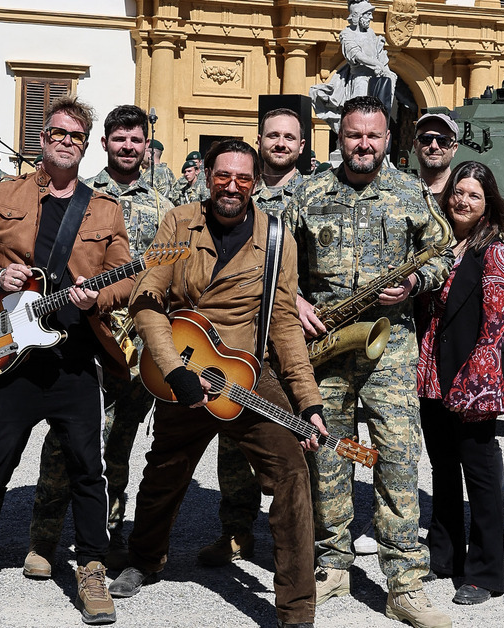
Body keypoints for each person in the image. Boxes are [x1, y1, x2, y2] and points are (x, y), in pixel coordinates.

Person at [107, 139, 328, 628]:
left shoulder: (277, 238)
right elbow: (147, 299)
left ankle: (297, 610)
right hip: (184, 366)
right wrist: (174, 370)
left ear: (255, 183)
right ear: (207, 176)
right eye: (222, 176)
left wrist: (308, 401)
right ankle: (144, 559)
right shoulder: (178, 223)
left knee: (291, 474)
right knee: (165, 470)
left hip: (247, 374)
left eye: (243, 178)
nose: (232, 186)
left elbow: (285, 325)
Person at [0, 93, 132, 625]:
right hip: (13, 358)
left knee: (87, 470)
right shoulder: (4, 194)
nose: (65, 142)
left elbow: (127, 279)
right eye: (58, 134)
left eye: (76, 136)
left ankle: (91, 567)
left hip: (74, 361)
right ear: (43, 139)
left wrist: (96, 298)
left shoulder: (104, 209)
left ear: (86, 145)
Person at [287, 95, 454, 628]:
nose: (363, 144)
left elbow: (443, 253)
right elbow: (278, 263)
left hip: (391, 348)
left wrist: (415, 281)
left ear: (387, 139)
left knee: (396, 458)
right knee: (329, 453)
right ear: (340, 137)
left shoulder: (410, 191)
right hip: (325, 344)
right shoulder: (307, 192)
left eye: (373, 136)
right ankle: (332, 563)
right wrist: (296, 301)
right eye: (354, 134)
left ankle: (404, 582)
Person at [24, 104, 173, 577]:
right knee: (63, 440)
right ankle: (44, 539)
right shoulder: (80, 195)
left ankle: (106, 535)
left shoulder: (166, 207)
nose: (128, 147)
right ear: (104, 143)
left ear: (147, 146)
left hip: (137, 348)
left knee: (119, 445)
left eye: (136, 139)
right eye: (119, 138)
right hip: (84, 337)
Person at [413, 113, 504, 567]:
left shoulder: (493, 250)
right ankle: (444, 557)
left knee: (478, 472)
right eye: (458, 192)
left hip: (470, 375)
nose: (463, 200)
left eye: (474, 195)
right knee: (442, 468)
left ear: (487, 203)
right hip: (431, 373)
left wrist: (472, 380)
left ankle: (486, 570)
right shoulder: (435, 245)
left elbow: (495, 328)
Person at [196, 106, 306, 568]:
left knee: (290, 452)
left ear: (302, 146)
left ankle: (301, 550)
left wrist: (297, 298)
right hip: (230, 347)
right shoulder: (218, 194)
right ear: (259, 142)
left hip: (290, 334)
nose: (280, 143)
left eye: (289, 137)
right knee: (231, 448)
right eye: (272, 135)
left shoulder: (314, 192)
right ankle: (236, 530)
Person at [309, 1, 397, 132]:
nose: (371, 17)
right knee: (358, 114)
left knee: (379, 113)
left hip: (375, 79)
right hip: (359, 80)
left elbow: (377, 54)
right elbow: (357, 55)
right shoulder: (347, 34)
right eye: (367, 14)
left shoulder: (370, 33)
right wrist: (376, 64)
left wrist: (385, 68)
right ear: (358, 15)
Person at [413, 113, 460, 207]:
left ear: (454, 148)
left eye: (443, 140)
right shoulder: (402, 191)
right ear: (415, 145)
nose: (434, 146)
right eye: (426, 139)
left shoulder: (463, 195)